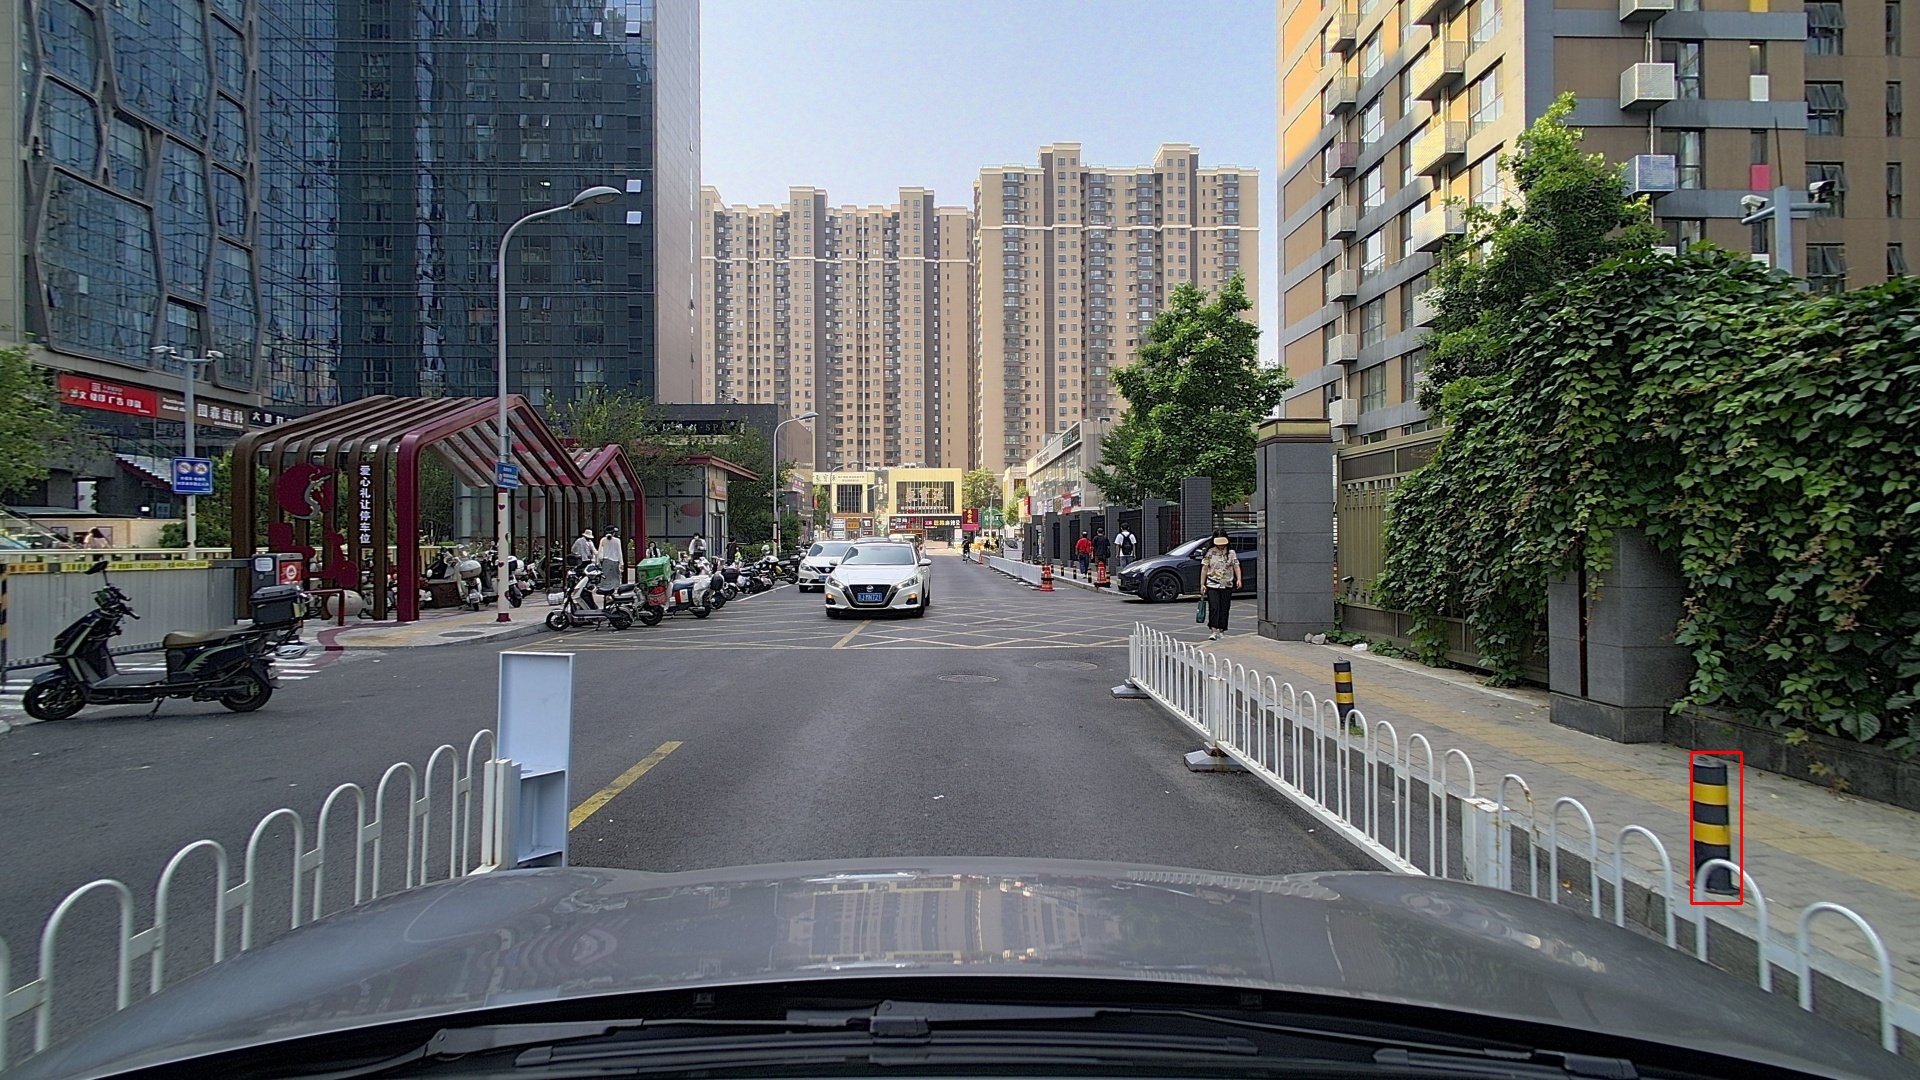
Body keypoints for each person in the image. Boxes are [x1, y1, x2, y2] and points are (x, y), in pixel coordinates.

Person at [1198, 528, 1242, 641]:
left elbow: (1236, 566)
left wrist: (1239, 579)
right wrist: (1202, 584)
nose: (1221, 545)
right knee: (1214, 607)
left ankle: (1221, 629)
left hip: (1227, 584)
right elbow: (1204, 568)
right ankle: (1213, 630)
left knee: (1224, 608)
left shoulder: (1231, 553)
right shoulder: (1210, 552)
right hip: (1212, 584)